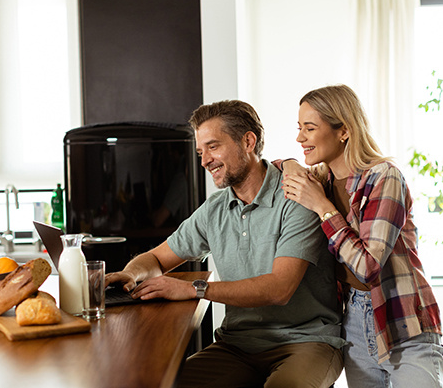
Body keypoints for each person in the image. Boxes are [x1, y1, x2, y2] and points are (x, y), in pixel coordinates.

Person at [105, 99, 345, 388]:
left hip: (306, 341)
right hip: (238, 345)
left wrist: (194, 289)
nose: (205, 160)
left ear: (248, 141)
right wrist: (131, 274)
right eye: (200, 151)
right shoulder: (215, 209)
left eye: (213, 146)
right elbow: (156, 259)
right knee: (165, 383)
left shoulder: (297, 197)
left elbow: (279, 289)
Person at [278, 84, 443, 388]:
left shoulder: (384, 176)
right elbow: (275, 166)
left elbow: (368, 268)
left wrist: (323, 208)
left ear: (344, 131)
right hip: (352, 320)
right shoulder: (322, 178)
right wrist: (289, 163)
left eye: (310, 128)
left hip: (402, 317)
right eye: (299, 128)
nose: (300, 137)